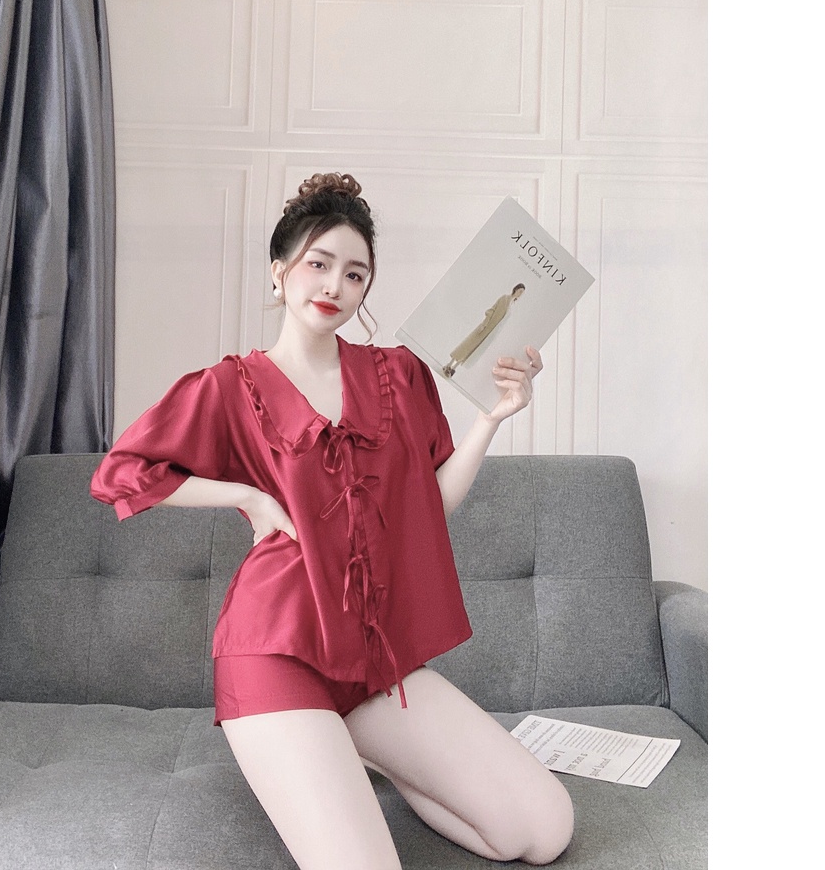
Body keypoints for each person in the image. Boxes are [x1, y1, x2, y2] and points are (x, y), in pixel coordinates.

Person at [91, 173, 573, 869]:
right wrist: (248, 497)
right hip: (275, 653)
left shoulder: (400, 376)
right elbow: (122, 472)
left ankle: (371, 757)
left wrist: (491, 419)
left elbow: (430, 508)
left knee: (543, 829)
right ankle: (324, 754)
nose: (334, 285)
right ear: (279, 271)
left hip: (373, 663)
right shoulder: (230, 387)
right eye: (318, 264)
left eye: (355, 273)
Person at [442, 283, 527, 378]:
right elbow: (492, 310)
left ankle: (453, 368)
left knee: (473, 351)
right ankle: (449, 365)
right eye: (520, 291)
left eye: (522, 293)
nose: (520, 294)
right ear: (515, 289)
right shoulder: (505, 298)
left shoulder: (511, 305)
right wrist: (484, 324)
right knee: (467, 345)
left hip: (490, 334)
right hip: (485, 327)